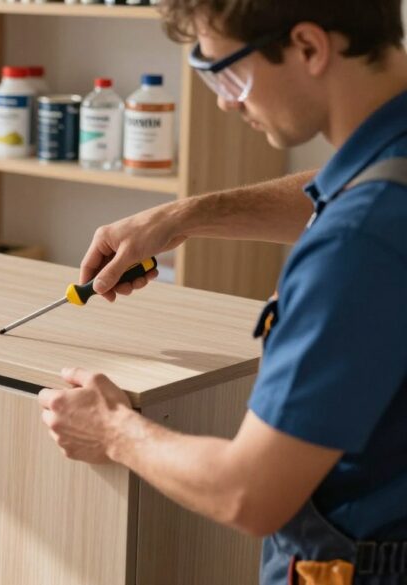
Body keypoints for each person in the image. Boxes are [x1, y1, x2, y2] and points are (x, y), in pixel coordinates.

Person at [38, 1, 407, 583]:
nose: (226, 100)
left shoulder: (356, 246)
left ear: (309, 47)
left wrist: (113, 429)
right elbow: (361, 181)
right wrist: (185, 217)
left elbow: (249, 493)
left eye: (228, 72)